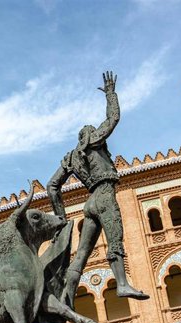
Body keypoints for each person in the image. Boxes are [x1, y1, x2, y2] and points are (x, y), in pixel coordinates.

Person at [46, 71, 149, 301]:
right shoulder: (93, 141)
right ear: (91, 135)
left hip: (89, 203)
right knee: (115, 240)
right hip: (103, 196)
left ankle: (67, 295)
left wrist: (61, 218)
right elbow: (113, 119)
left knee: (82, 254)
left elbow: (52, 186)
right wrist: (111, 94)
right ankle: (122, 284)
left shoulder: (71, 157)